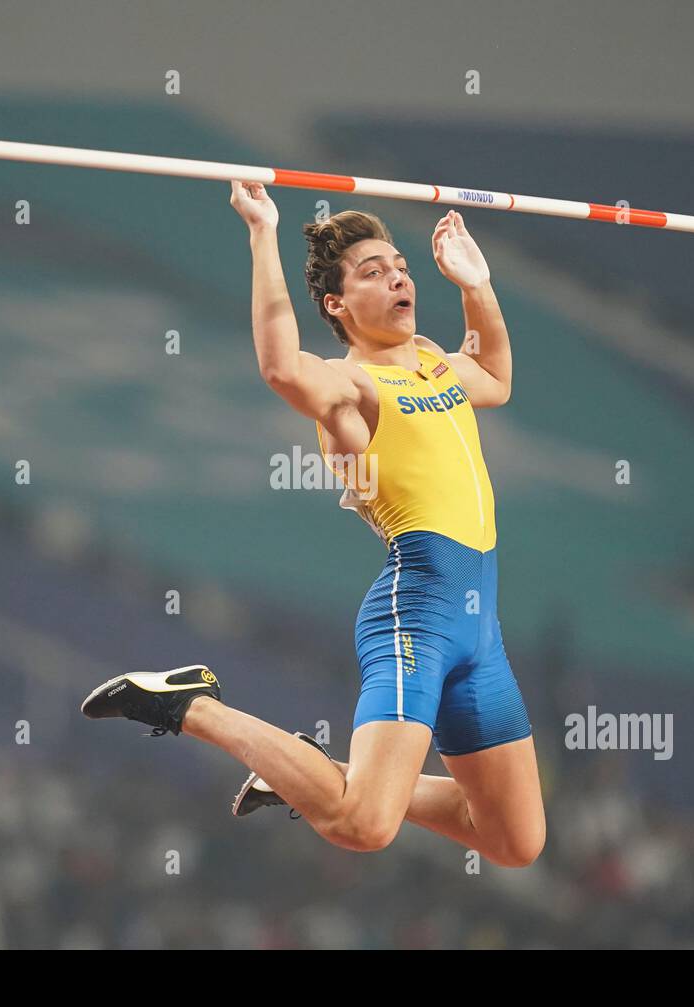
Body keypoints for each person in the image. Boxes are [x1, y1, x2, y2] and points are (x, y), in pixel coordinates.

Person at [81, 182, 545, 867]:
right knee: (363, 824)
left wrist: (477, 285)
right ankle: (189, 706)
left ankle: (308, 768)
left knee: (513, 838)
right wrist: (262, 232)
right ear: (337, 304)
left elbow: (497, 379)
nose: (396, 276)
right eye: (371, 272)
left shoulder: (430, 360)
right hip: (414, 614)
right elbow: (278, 366)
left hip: (480, 632)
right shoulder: (349, 390)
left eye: (400, 265)